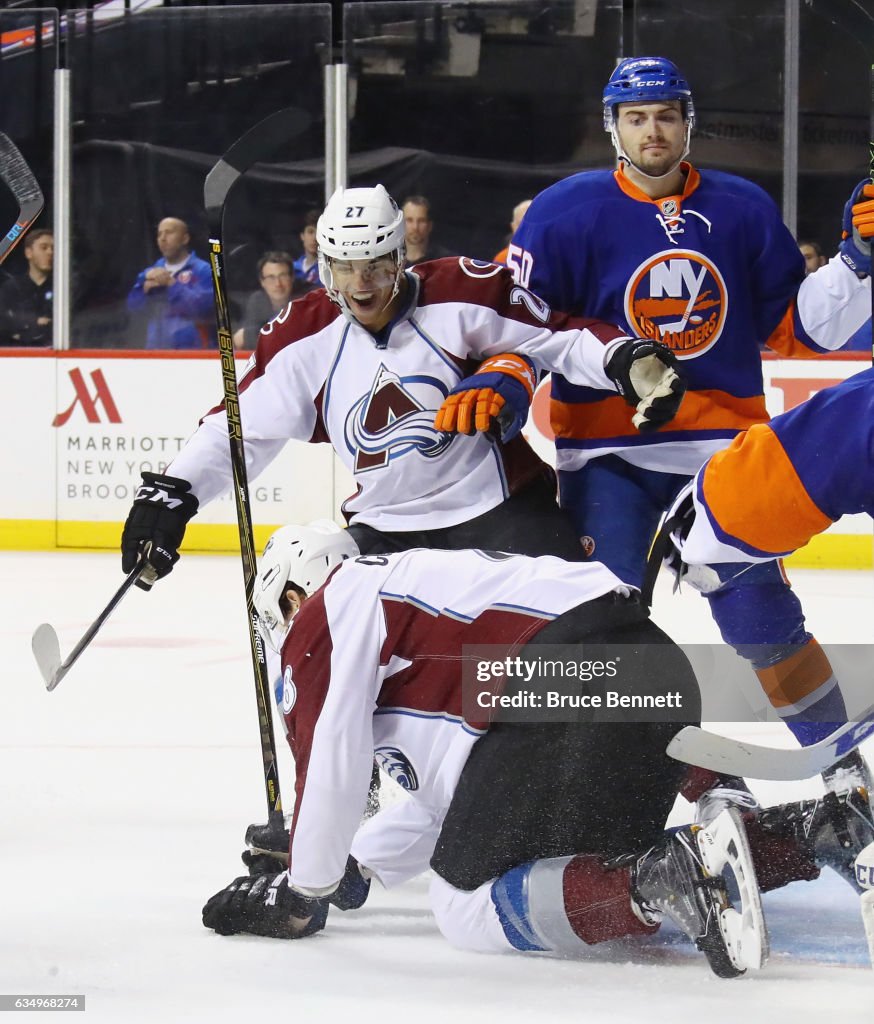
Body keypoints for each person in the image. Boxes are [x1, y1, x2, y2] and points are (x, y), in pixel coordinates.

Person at [478, 55, 873, 764]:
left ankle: (843, 770)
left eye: (665, 115)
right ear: (613, 128)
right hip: (610, 456)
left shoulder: (743, 207)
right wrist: (505, 378)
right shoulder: (562, 213)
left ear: (687, 122)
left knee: (762, 617)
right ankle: (611, 791)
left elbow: (802, 331)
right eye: (636, 118)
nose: (652, 131)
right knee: (608, 631)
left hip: (724, 452)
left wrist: (858, 261)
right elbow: (523, 327)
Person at [201, 521, 766, 978]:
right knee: (567, 864)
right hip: (652, 670)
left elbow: (327, 762)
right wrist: (360, 867)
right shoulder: (418, 611)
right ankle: (807, 831)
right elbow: (453, 801)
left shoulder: (327, 610)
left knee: (463, 906)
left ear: (295, 594)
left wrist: (302, 892)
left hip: (560, 688)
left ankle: (656, 886)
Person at [118, 184, 684, 586]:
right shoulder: (301, 336)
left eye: (377, 267)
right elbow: (237, 430)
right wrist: (173, 495)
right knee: (293, 588)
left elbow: (557, 338)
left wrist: (622, 358)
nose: (362, 285)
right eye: (346, 269)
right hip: (385, 529)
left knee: (575, 630)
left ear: (399, 258)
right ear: (325, 267)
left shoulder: (463, 290)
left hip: (499, 511)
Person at [126, 216, 216, 349]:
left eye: (169, 232)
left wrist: (172, 284)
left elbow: (203, 309)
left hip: (193, 352)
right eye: (159, 234)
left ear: (185, 238)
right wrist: (143, 290)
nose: (163, 238)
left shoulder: (203, 270)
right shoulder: (150, 273)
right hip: (156, 350)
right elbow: (132, 308)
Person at [0, 228, 53, 346]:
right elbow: (3, 322)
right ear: (29, 253)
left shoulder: (62, 289)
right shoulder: (11, 288)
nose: (50, 252)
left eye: (53, 248)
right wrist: (34, 321)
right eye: (44, 247)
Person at [232, 251, 295, 350]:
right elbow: (241, 338)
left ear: (292, 278)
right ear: (262, 282)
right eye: (271, 277)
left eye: (283, 276)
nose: (278, 284)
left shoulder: (307, 298)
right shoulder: (257, 300)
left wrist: (250, 336)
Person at [401, 195, 454, 265]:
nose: (415, 227)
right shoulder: (388, 261)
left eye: (421, 220)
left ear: (430, 225)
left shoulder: (446, 262)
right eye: (409, 220)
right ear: (400, 224)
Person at [493, 198, 532, 266]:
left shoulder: (552, 256)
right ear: (513, 227)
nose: (527, 230)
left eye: (532, 224)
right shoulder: (503, 258)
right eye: (521, 225)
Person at [292, 209, 322, 289]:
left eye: (319, 233)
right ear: (302, 236)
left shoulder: (329, 270)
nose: (315, 238)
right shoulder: (292, 268)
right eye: (310, 232)